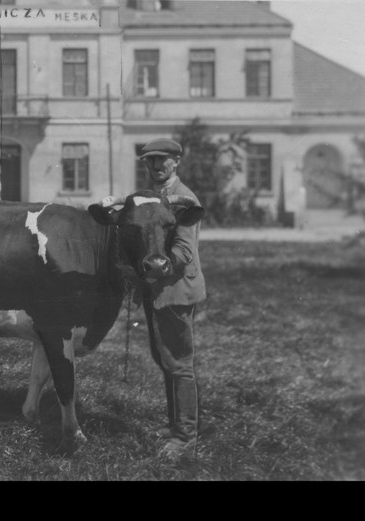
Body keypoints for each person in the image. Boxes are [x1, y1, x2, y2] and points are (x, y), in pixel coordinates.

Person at [138, 137, 207, 460]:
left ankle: (184, 439)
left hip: (176, 290)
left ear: (176, 161)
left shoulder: (184, 200)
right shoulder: (155, 197)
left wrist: (154, 270)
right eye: (150, 161)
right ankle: (175, 426)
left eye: (162, 160)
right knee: (166, 361)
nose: (155, 166)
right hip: (160, 290)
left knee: (179, 365)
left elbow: (182, 252)